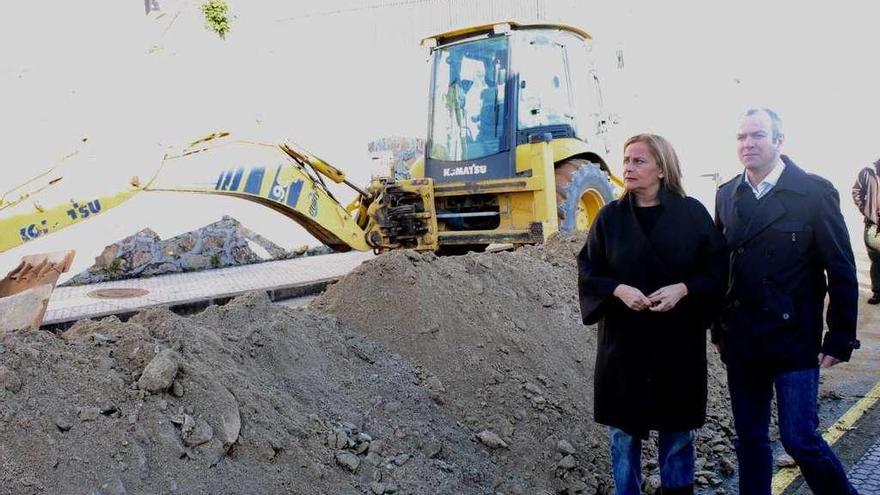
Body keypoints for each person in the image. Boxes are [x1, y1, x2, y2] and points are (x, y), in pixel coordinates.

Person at [713, 108, 860, 495]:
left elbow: (841, 268)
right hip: (742, 339)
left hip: (793, 336)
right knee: (750, 441)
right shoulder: (727, 194)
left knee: (800, 439)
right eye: (742, 137)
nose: (748, 144)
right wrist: (718, 328)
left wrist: (840, 336)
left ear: (779, 141)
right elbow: (719, 268)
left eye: (758, 135)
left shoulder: (813, 192)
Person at [578, 134, 727, 495]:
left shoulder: (692, 213)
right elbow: (588, 269)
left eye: (639, 161)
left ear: (662, 168)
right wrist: (618, 290)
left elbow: (717, 270)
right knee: (622, 436)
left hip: (678, 342)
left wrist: (683, 289)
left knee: (677, 433)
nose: (628, 167)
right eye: (626, 160)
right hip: (623, 345)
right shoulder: (609, 218)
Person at [852, 158, 880, 304]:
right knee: (876, 260)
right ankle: (877, 292)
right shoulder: (868, 172)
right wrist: (867, 211)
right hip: (874, 225)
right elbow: (856, 191)